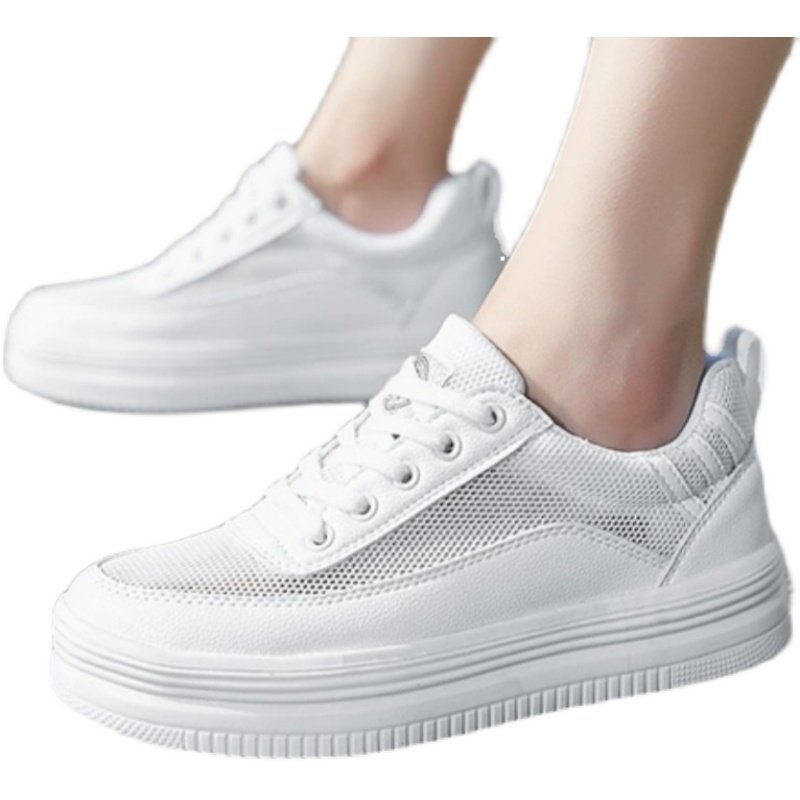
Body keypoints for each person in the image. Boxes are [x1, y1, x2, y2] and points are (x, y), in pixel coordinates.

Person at [32, 38, 796, 756]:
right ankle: (375, 165)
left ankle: (605, 364)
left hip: (645, 501)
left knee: (600, 337)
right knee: (376, 149)